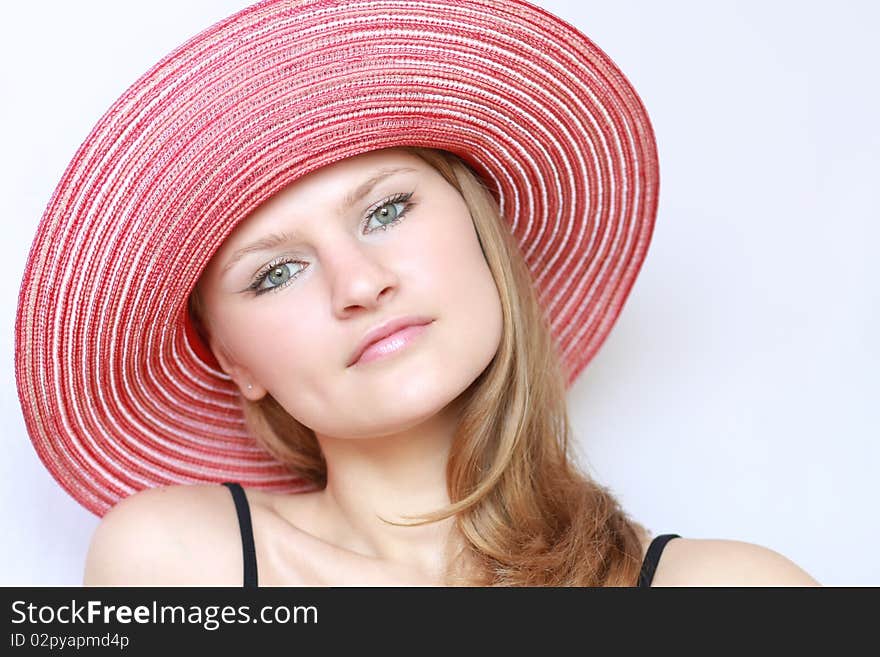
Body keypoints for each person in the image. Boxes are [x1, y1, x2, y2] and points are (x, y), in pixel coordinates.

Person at [15, 0, 818, 586]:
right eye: (275, 272)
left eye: (387, 210)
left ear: (483, 232)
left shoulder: (739, 592)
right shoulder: (178, 560)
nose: (359, 283)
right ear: (233, 359)